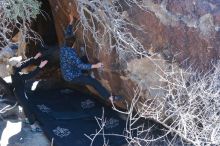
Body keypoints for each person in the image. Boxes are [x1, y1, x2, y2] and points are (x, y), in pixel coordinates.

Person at [60, 14, 123, 102]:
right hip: (72, 77)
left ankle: (90, 70)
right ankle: (110, 98)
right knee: (92, 82)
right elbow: (80, 65)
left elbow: (68, 33)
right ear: (73, 44)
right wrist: (95, 66)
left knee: (85, 58)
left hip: (70, 68)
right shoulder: (71, 54)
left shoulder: (64, 47)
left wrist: (71, 22)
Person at [8, 53, 48, 132]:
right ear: (16, 64)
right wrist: (40, 67)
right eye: (19, 61)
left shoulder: (15, 68)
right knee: (28, 109)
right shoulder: (17, 74)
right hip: (20, 93)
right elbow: (29, 76)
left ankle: (27, 119)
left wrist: (34, 57)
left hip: (19, 91)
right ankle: (33, 127)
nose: (21, 62)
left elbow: (24, 63)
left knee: (25, 107)